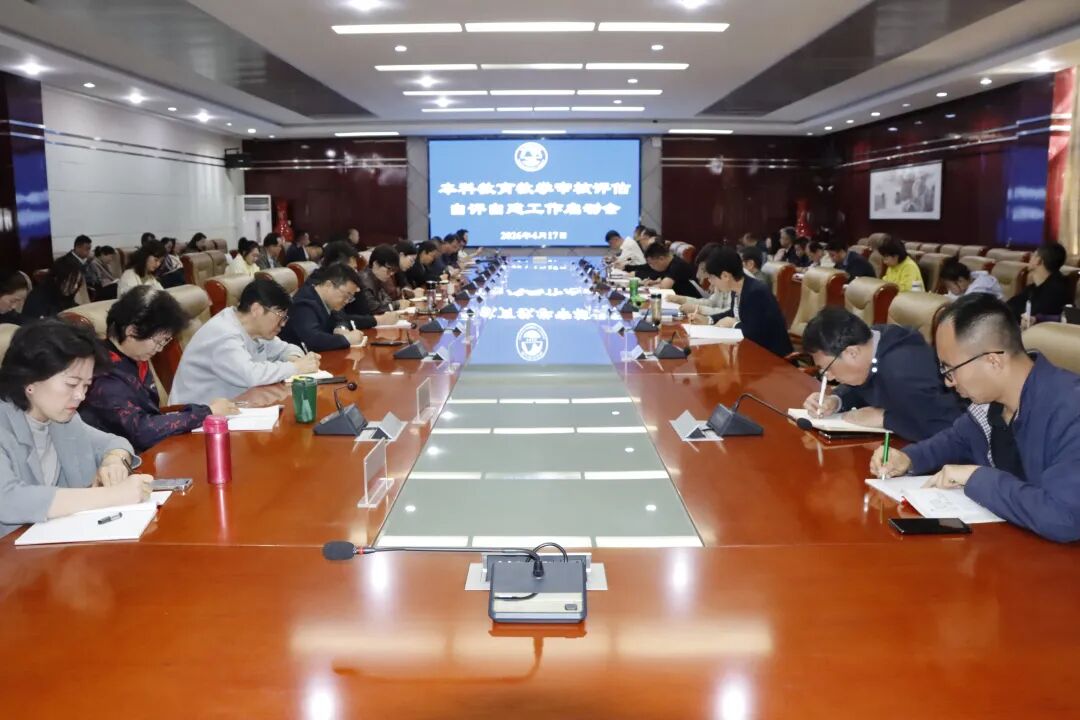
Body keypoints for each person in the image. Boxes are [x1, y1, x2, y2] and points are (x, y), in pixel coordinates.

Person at [871, 293, 1080, 543]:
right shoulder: (992, 403)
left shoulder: (1071, 410)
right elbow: (956, 439)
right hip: (1014, 545)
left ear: (993, 361)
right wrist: (909, 458)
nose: (948, 383)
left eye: (950, 369)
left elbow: (1065, 518)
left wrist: (975, 478)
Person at [0, 319, 152, 538]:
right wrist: (112, 496)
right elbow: (8, 499)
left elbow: (114, 443)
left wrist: (114, 461)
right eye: (72, 384)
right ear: (29, 380)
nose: (80, 395)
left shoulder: (63, 419)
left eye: (86, 385)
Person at [79, 287, 237, 452]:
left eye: (165, 341)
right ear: (131, 331)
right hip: (118, 459)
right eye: (158, 341)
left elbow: (152, 414)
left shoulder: (136, 357)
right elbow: (141, 432)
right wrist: (207, 412)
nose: (160, 349)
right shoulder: (102, 373)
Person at [801, 307, 965, 441]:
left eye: (827, 368)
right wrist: (836, 400)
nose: (828, 376)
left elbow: (949, 430)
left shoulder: (903, 371)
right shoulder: (872, 342)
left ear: (852, 353)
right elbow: (865, 383)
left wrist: (884, 418)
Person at [170, 278, 319, 405]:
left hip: (233, 407)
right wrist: (295, 368)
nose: (283, 324)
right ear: (256, 309)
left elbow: (286, 348)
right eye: (280, 316)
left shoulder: (255, 331)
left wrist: (295, 359)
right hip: (196, 419)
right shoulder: (223, 333)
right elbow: (251, 375)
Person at [698, 248, 793, 357]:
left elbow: (755, 334)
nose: (711, 282)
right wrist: (708, 319)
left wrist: (733, 324)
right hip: (752, 352)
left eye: (711, 277)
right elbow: (733, 313)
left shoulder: (756, 292)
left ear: (725, 276)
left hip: (773, 357)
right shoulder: (737, 288)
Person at [280, 263, 372, 351]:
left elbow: (341, 317)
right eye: (346, 295)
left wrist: (341, 328)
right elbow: (313, 340)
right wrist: (346, 339)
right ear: (329, 285)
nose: (347, 301)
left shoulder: (326, 300)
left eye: (350, 297)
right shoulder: (304, 304)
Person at [1007, 243, 1070, 327]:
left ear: (1038, 261)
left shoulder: (1056, 290)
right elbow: (1010, 306)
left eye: (1033, 255)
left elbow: (1034, 315)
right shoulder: (1033, 288)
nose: (1030, 259)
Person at [670, 243, 729, 316]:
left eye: (703, 269)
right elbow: (712, 303)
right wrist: (683, 299)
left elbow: (730, 314)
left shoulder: (731, 280)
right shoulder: (718, 276)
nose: (709, 279)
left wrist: (699, 309)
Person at [23, 255, 85, 319]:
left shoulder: (64, 294)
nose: (75, 287)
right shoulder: (38, 298)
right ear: (57, 278)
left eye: (77, 282)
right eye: (71, 282)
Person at [358, 244, 409, 314]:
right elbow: (374, 309)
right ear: (376, 264)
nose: (391, 274)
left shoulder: (376, 278)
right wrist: (397, 304)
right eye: (389, 269)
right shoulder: (364, 281)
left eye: (394, 270)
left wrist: (392, 304)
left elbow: (388, 300)